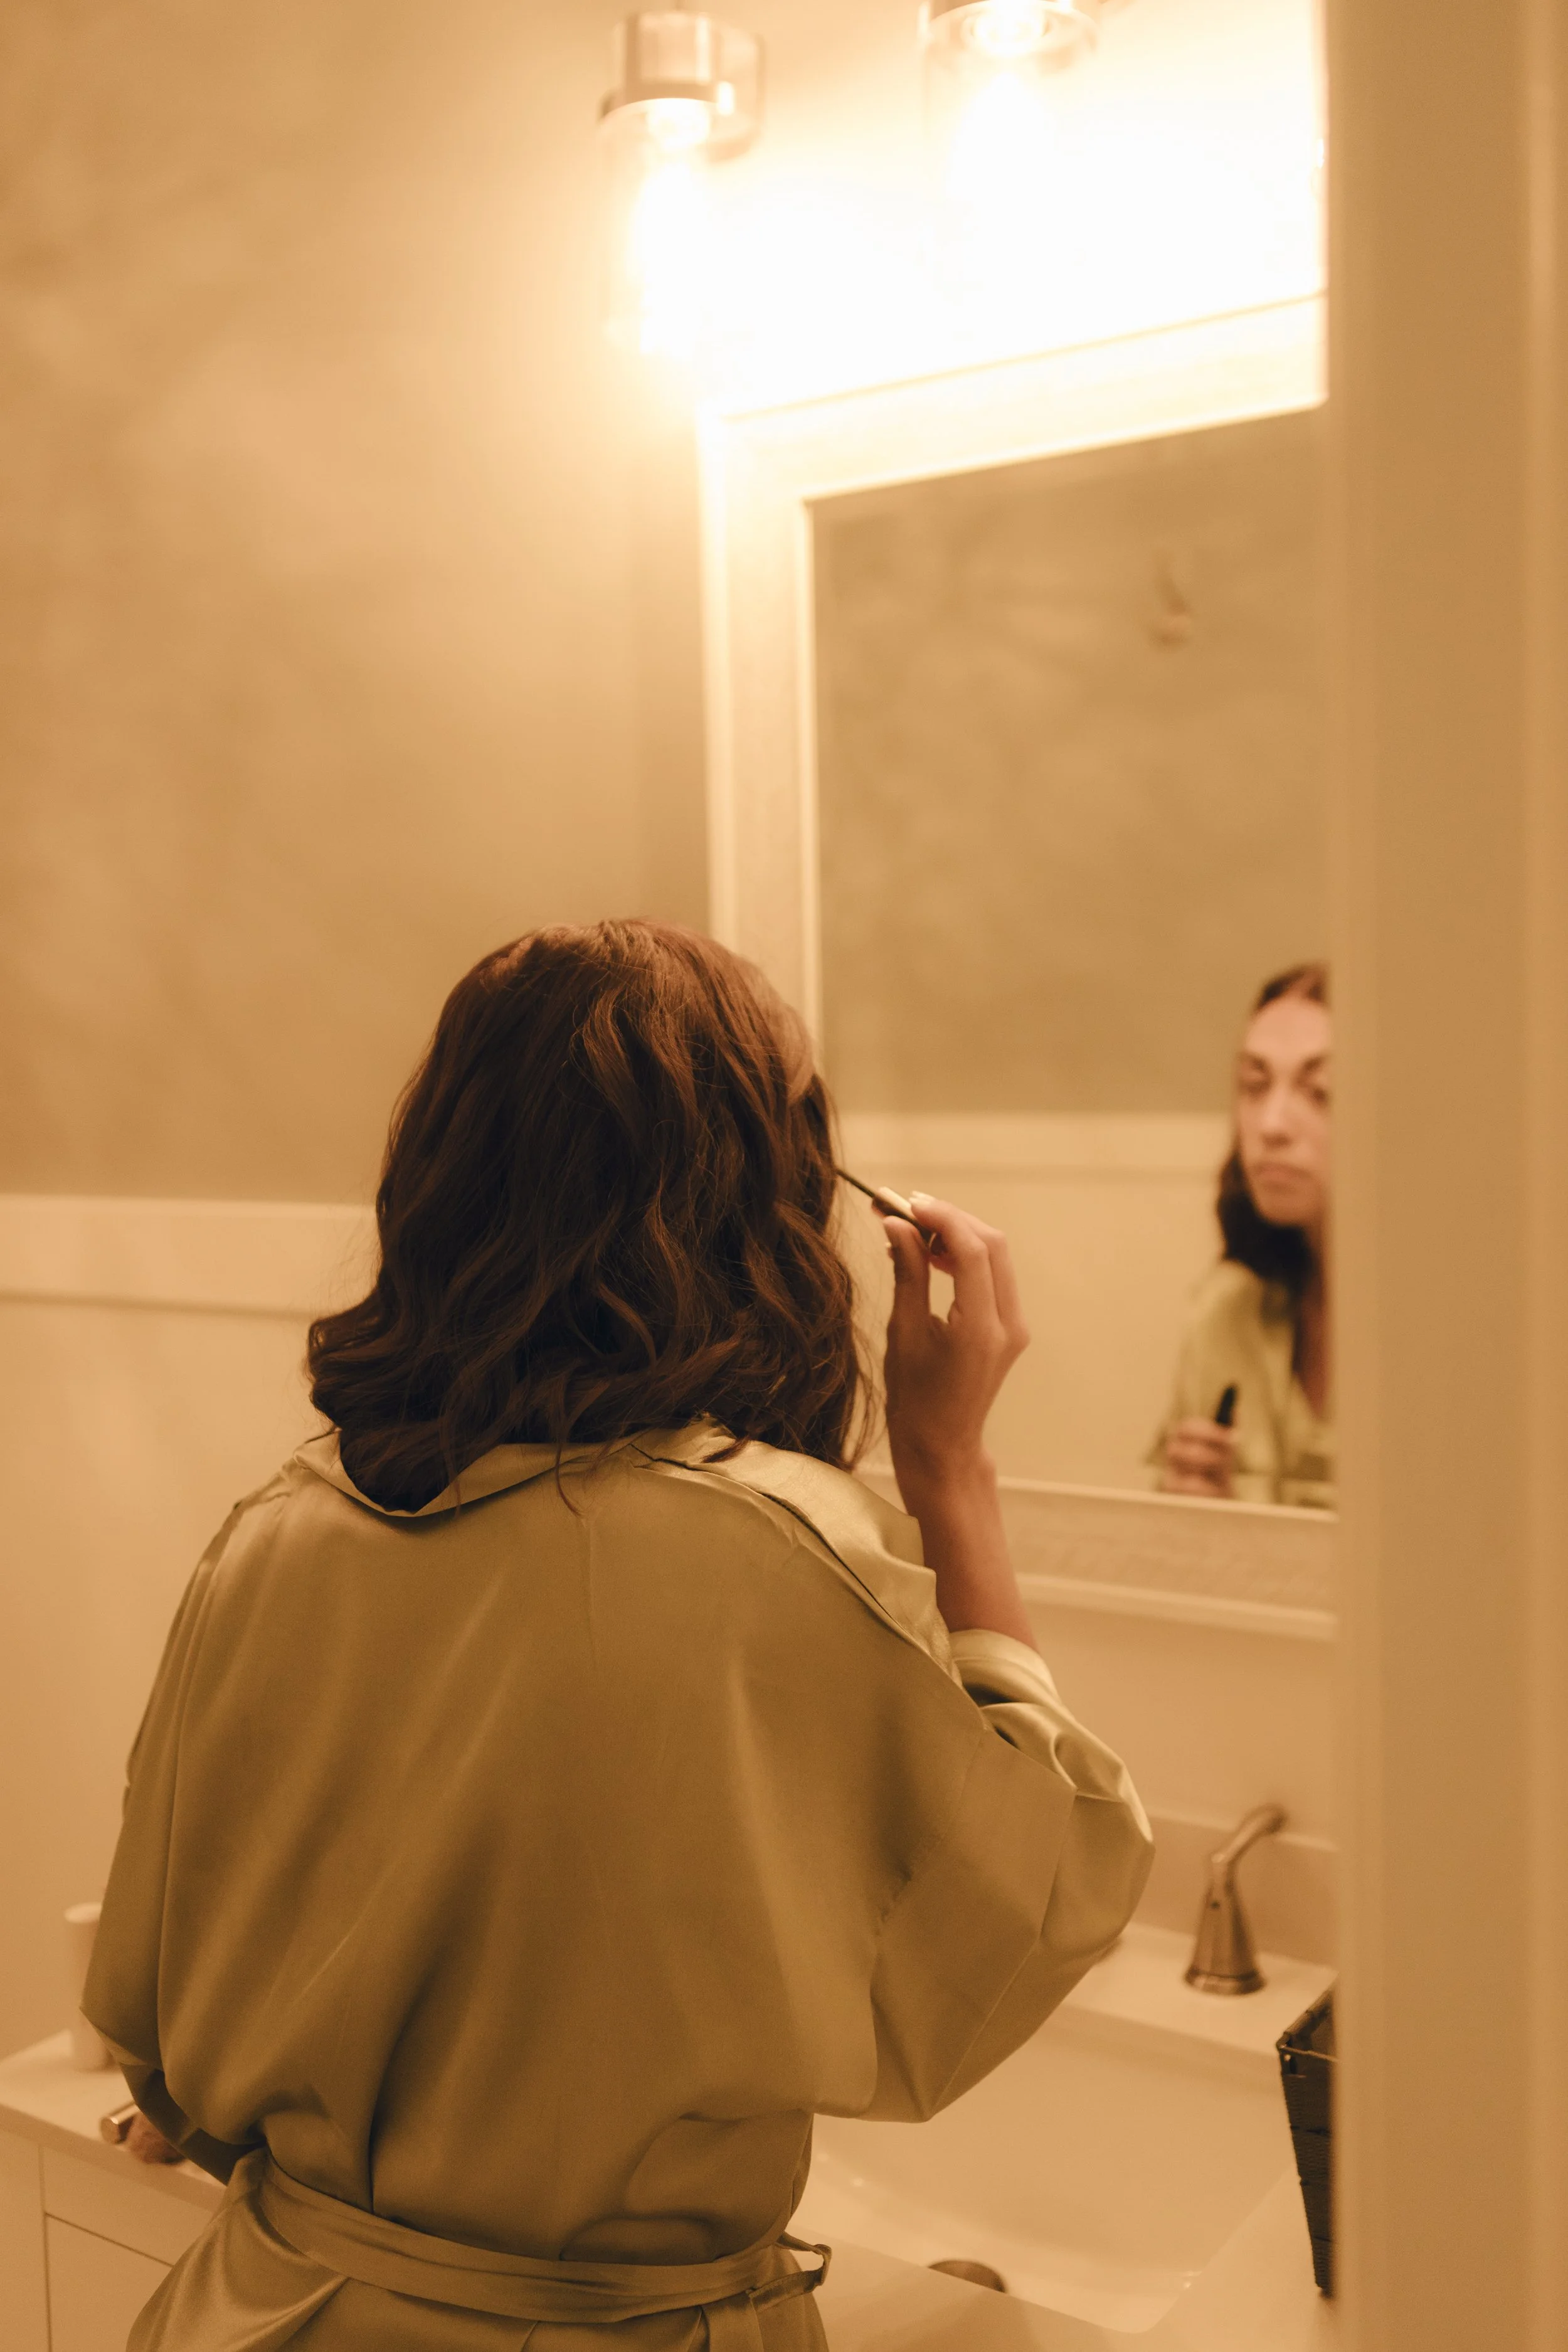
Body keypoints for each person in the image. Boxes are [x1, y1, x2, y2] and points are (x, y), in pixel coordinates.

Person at [83, 920, 1152, 2352]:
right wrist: (950, 1469)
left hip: (258, 2308)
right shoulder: (771, 1554)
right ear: (764, 1206)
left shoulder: (275, 1530)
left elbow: (150, 2021)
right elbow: (1053, 1881)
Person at [1155, 962, 1333, 1510]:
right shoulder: (1226, 1314)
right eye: (1254, 1086)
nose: (1271, 1125)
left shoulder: (1460, 1339)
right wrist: (1192, 1504)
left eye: (1321, 1092)